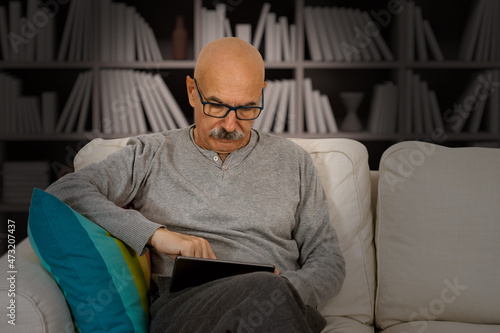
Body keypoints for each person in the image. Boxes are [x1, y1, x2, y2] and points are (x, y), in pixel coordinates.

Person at [46, 37, 345, 332]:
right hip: (187, 308)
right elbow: (66, 192)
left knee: (268, 295)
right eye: (216, 106)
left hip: (280, 303)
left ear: (262, 94)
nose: (230, 125)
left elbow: (328, 259)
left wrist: (287, 288)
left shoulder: (294, 161)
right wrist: (155, 235)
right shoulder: (151, 153)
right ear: (192, 91)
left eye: (246, 109)